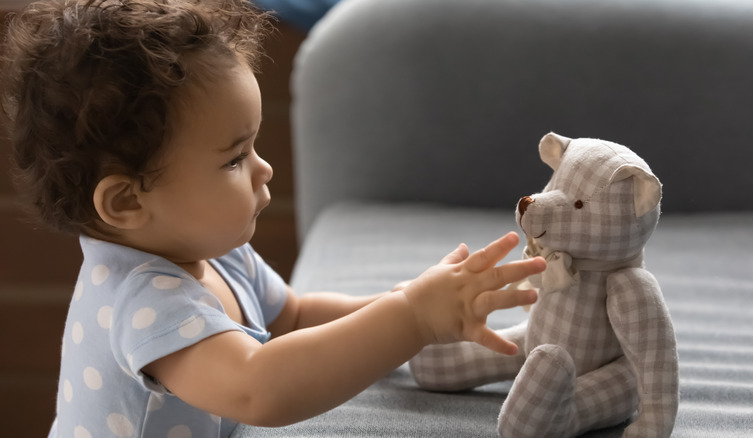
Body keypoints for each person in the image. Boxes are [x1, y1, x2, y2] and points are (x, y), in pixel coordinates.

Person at [0, 0, 546, 437]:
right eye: (234, 158)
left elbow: (293, 317)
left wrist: (415, 308)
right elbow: (257, 388)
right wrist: (411, 317)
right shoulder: (142, 300)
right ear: (126, 203)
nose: (264, 169)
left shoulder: (209, 247)